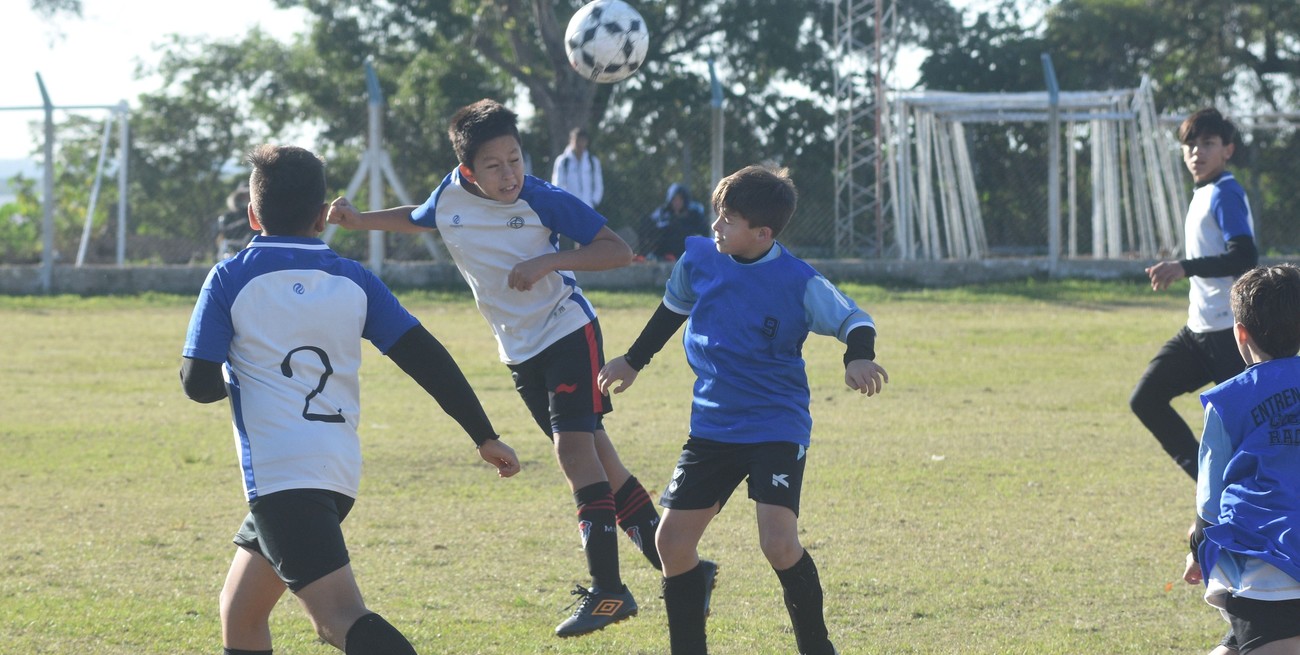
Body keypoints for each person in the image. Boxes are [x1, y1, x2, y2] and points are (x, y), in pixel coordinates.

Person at [326, 99, 682, 638]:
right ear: (468, 170)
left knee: (573, 451)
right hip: (518, 350)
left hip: (568, 331)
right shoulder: (449, 197)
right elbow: (419, 218)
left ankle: (610, 591)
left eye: (515, 159)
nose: (510, 173)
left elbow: (616, 250)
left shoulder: (542, 197)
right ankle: (683, 575)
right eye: (494, 165)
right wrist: (358, 221)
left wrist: (547, 261)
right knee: (600, 461)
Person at [180, 144, 521, 655]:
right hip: (335, 470)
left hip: (281, 475)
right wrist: (483, 434)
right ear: (323, 217)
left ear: (252, 214)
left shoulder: (231, 277)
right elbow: (427, 359)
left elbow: (196, 383)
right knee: (241, 610)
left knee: (338, 619)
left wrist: (240, 371)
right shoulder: (354, 279)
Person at [598, 165, 889, 655]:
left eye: (728, 220)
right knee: (671, 543)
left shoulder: (797, 281)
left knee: (777, 543)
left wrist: (857, 356)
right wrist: (632, 360)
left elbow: (854, 318)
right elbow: (673, 310)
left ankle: (818, 648)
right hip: (712, 425)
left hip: (776, 423)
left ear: (762, 233)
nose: (716, 227)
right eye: (718, 215)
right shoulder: (698, 260)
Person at [1130, 107, 1258, 480]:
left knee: (1249, 435)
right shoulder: (1203, 192)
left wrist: (1183, 267)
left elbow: (1244, 256)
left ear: (1227, 150)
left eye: (1208, 143)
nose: (1197, 153)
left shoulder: (1225, 192)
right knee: (1146, 399)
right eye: (1190, 145)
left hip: (1231, 335)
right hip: (1199, 332)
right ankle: (1209, 487)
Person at [1182, 263, 1300, 655]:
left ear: (1240, 333)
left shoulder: (1228, 400)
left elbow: (1209, 504)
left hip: (1267, 575)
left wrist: (1198, 546)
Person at [636, 182, 710, 261]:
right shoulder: (663, 213)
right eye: (674, 199)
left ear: (685, 200)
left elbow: (705, 232)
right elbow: (651, 226)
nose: (677, 202)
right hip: (664, 253)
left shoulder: (694, 215)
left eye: (680, 199)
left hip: (686, 252)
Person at [551, 127, 603, 209]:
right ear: (571, 141)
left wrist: (594, 201)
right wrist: (564, 202)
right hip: (568, 208)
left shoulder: (593, 161)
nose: (580, 144)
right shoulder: (563, 161)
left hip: (588, 207)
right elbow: (557, 184)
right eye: (577, 141)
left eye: (583, 141)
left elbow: (598, 184)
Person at [215, 181, 255, 259]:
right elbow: (225, 232)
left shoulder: (254, 213)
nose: (247, 197)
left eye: (249, 194)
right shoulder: (229, 215)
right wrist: (244, 223)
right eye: (244, 195)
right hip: (233, 248)